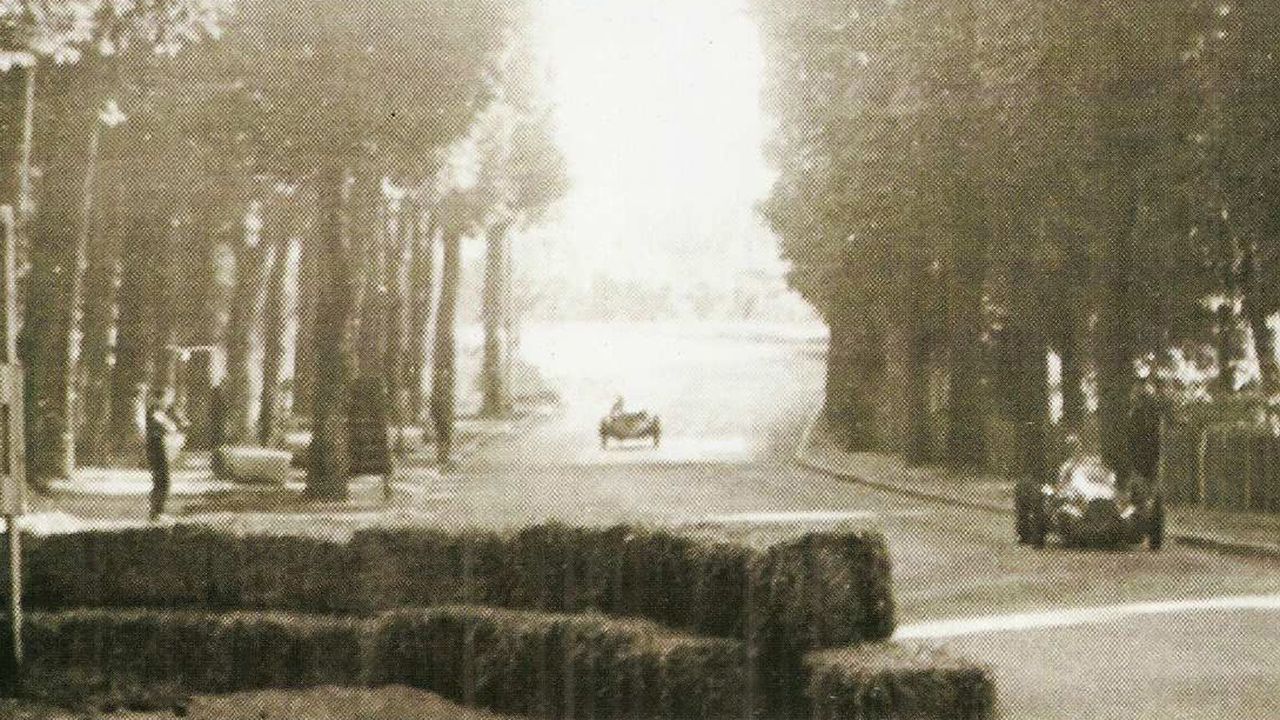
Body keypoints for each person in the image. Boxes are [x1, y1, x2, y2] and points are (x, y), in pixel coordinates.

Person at [145, 395, 179, 521]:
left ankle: (157, 511)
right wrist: (170, 425)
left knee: (161, 480)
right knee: (162, 480)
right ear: (158, 399)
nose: (168, 402)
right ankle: (156, 512)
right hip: (156, 448)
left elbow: (171, 427)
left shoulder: (158, 413)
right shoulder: (155, 413)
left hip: (158, 447)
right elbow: (169, 427)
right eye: (166, 398)